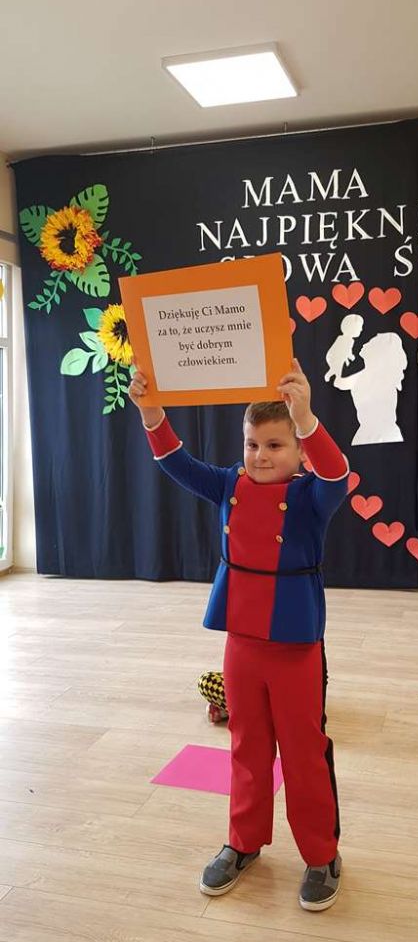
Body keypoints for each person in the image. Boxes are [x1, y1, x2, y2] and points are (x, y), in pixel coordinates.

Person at [129, 359, 348, 911]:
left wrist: (306, 419)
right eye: (252, 444)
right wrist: (152, 413)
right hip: (242, 643)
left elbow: (337, 473)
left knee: (303, 751)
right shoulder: (230, 484)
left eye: (275, 445)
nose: (260, 455)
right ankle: (244, 841)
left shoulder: (312, 495)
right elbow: (177, 463)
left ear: (298, 451)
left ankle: (321, 854)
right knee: (246, 746)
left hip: (296, 646)